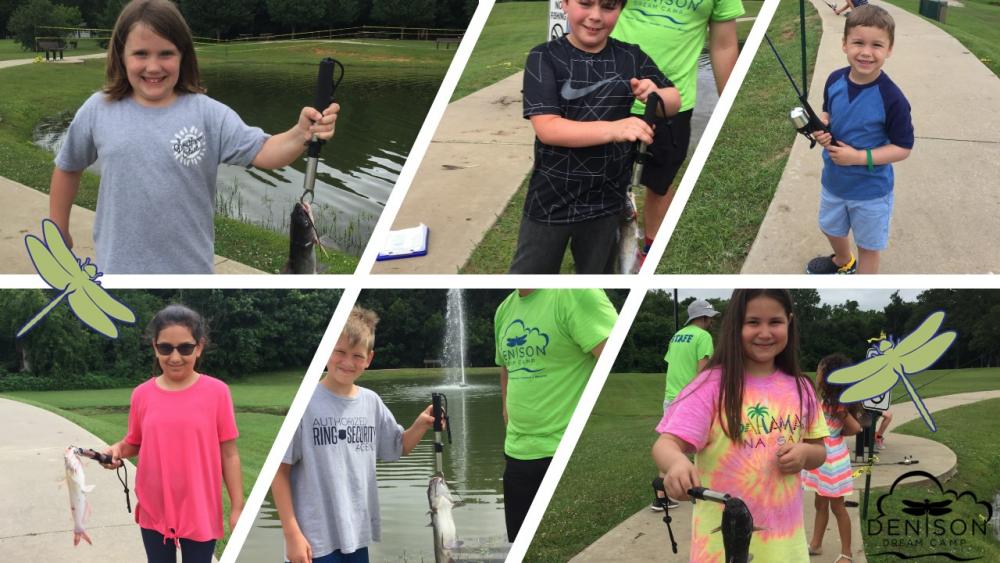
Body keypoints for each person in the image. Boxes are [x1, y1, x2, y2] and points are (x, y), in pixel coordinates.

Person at [49, 0, 339, 274]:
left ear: (183, 56)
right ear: (121, 56)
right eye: (140, 54)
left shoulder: (208, 114)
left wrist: (301, 133)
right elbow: (68, 166)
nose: (153, 66)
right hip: (117, 268)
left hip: (190, 270)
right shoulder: (98, 109)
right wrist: (59, 227)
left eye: (166, 53)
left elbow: (265, 152)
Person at [652, 289, 828, 562]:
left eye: (775, 322)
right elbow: (666, 444)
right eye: (753, 322)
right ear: (736, 325)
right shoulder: (710, 386)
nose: (765, 332)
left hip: (786, 546)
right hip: (721, 548)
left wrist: (805, 454)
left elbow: (820, 450)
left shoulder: (801, 387)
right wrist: (676, 463)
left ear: (789, 322)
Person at [512, 0, 681, 274]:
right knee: (529, 281)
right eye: (585, 3)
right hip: (551, 201)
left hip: (608, 203)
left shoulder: (630, 56)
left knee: (597, 282)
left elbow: (674, 100)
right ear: (565, 4)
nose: (595, 16)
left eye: (608, 6)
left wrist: (657, 93)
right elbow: (548, 128)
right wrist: (615, 129)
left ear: (621, 9)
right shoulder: (544, 56)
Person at [271, 306, 437, 563]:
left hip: (356, 537)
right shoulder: (305, 403)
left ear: (369, 359)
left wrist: (421, 425)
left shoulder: (371, 402)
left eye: (357, 356)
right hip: (313, 542)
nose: (348, 362)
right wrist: (292, 534)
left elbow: (399, 446)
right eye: (340, 352)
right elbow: (279, 471)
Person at [101, 304, 243, 563]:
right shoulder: (142, 394)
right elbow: (134, 442)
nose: (175, 357)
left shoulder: (218, 392)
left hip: (200, 507)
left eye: (185, 348)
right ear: (155, 347)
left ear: (199, 347)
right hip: (155, 507)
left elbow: (230, 455)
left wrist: (237, 506)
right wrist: (116, 450)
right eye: (166, 348)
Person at [611, 0, 744, 266]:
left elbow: (724, 45)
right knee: (603, 176)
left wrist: (729, 102)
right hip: (610, 92)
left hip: (672, 101)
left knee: (660, 182)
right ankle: (606, 246)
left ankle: (650, 252)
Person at [495, 289, 617, 540]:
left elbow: (610, 352)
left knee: (565, 541)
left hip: (560, 450)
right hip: (518, 453)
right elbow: (506, 366)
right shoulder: (504, 309)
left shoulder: (575, 294)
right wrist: (507, 410)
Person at [807, 6, 913, 275]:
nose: (866, 52)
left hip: (871, 192)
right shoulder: (834, 80)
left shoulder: (893, 99)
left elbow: (902, 148)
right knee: (829, 227)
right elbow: (827, 112)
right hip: (833, 182)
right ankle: (844, 260)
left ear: (889, 49)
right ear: (844, 44)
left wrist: (858, 157)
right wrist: (823, 126)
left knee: (868, 246)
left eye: (877, 45)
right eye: (858, 42)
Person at [651, 299, 720, 511]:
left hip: (671, 396)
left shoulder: (677, 336)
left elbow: (672, 363)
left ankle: (661, 496)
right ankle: (693, 487)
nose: (711, 321)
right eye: (710, 317)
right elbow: (703, 371)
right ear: (704, 317)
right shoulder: (703, 336)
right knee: (699, 447)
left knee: (671, 445)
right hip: (690, 398)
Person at [802, 354, 863, 563]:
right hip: (821, 458)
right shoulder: (825, 401)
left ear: (827, 377)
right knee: (820, 503)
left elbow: (856, 428)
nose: (817, 373)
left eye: (819, 370)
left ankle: (847, 553)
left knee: (838, 507)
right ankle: (816, 544)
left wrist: (838, 432)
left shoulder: (837, 405)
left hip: (833, 461)